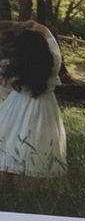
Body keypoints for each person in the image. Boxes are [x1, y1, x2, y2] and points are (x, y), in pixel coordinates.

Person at [0, 20, 67, 186]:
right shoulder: (52, 65)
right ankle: (33, 187)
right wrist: (43, 29)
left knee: (10, 140)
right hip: (44, 109)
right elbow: (54, 47)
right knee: (38, 142)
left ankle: (6, 182)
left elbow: (4, 87)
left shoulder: (14, 66)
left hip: (15, 107)